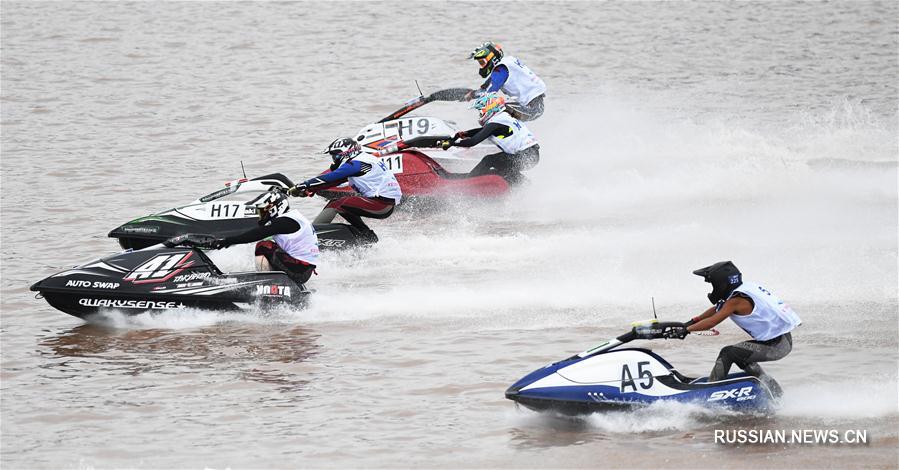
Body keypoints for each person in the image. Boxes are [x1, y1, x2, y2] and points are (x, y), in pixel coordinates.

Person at [664, 261, 801, 397]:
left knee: (728, 352)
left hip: (777, 345)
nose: (712, 288)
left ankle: (709, 394)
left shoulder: (736, 301)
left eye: (713, 284)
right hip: (780, 341)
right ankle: (776, 394)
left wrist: (686, 330)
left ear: (721, 283)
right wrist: (691, 322)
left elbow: (712, 322)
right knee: (741, 356)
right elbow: (716, 309)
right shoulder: (741, 291)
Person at [288, 137, 401, 244]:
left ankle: (309, 237)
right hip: (383, 204)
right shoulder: (362, 159)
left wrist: (301, 185)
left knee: (337, 204)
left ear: (346, 153)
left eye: (335, 156)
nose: (333, 160)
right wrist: (311, 189)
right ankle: (368, 236)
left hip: (381, 205)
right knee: (344, 206)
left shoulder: (356, 164)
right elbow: (335, 181)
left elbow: (329, 177)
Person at [212, 189, 319, 285]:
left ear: (275, 207)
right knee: (271, 245)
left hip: (300, 269)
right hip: (303, 269)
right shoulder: (293, 217)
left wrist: (225, 242)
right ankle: (280, 284)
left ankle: (266, 285)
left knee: (263, 246)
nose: (261, 214)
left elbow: (255, 235)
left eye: (263, 210)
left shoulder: (284, 221)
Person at [438, 92, 539, 185]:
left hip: (526, 157)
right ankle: (525, 185)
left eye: (481, 111)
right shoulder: (503, 117)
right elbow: (484, 131)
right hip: (530, 155)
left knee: (489, 160)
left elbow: (472, 142)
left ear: (490, 108)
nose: (480, 114)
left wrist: (452, 144)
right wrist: (465, 133)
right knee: (500, 167)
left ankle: (467, 185)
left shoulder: (496, 122)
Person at [464, 42, 547, 122]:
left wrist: (474, 99)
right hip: (536, 106)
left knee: (495, 108)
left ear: (492, 58)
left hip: (532, 109)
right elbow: (486, 86)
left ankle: (486, 134)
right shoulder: (507, 62)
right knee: (495, 109)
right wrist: (472, 94)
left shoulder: (500, 70)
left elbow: (488, 94)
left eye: (482, 62)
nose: (481, 66)